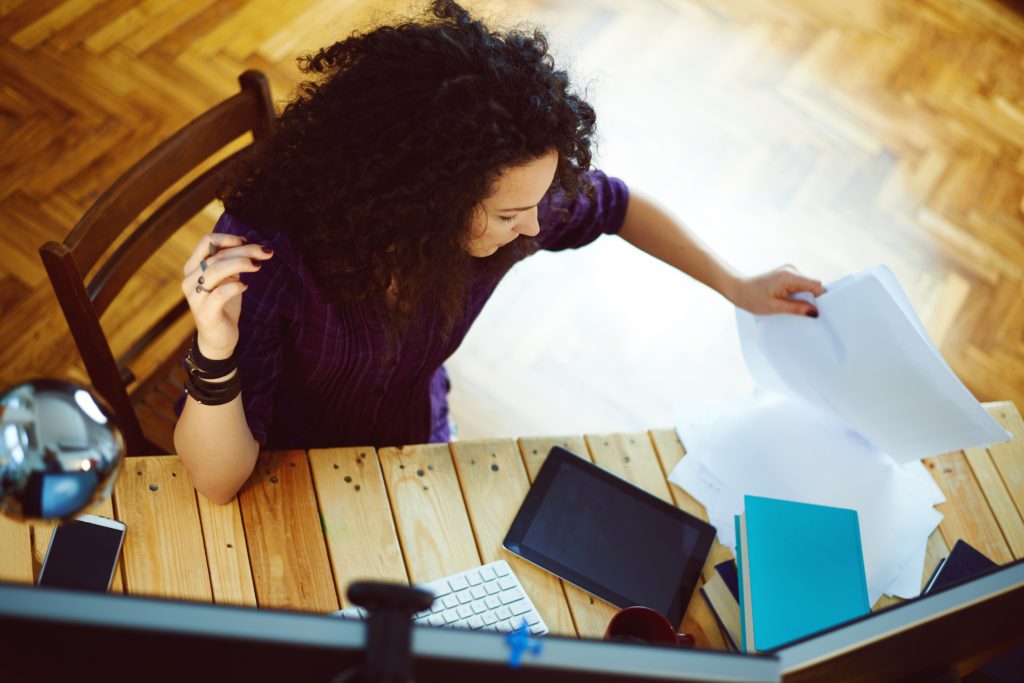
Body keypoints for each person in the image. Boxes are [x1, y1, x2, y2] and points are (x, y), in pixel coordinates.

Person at [173, 0, 825, 504]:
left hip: (417, 437)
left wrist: (736, 285)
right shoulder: (268, 257)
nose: (536, 226)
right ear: (421, 200)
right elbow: (217, 479)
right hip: (291, 466)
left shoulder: (519, 201)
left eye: (540, 202)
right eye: (512, 214)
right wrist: (215, 346)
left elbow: (620, 206)